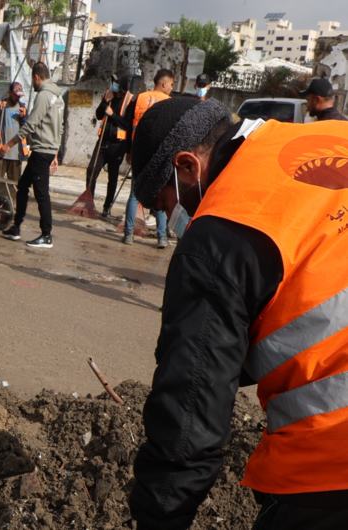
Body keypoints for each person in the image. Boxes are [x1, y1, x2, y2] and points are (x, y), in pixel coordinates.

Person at [127, 96, 348, 529]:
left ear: (187, 166)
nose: (174, 218)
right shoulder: (331, 135)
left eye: (166, 204)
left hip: (331, 459)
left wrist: (159, 517)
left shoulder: (219, 233)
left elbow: (189, 419)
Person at [0, 62, 64, 249]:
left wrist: (9, 144)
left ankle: (46, 235)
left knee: (41, 193)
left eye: (32, 79)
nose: (33, 84)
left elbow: (30, 125)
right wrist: (56, 154)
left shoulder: (44, 96)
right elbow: (60, 128)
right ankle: (16, 227)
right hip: (46, 150)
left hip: (42, 150)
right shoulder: (58, 96)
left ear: (36, 77)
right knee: (23, 185)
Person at [121, 68, 174, 247]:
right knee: (159, 194)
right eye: (171, 84)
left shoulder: (139, 98)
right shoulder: (170, 103)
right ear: (163, 83)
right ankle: (162, 237)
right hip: (160, 155)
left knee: (135, 195)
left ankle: (128, 235)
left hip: (139, 153)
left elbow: (127, 126)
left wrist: (129, 151)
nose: (171, 88)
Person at [88, 75, 134, 220]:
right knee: (91, 170)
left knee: (112, 178)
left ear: (123, 87)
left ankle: (106, 207)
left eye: (116, 85)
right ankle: (89, 203)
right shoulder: (109, 95)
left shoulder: (130, 100)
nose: (114, 87)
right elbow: (99, 115)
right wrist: (104, 102)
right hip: (103, 142)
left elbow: (127, 124)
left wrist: (112, 114)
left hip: (118, 145)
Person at [0, 82, 27, 184]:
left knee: (14, 186)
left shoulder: (22, 108)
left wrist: (23, 118)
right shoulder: (1, 105)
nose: (18, 98)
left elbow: (27, 129)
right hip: (0, 152)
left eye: (19, 96)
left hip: (16, 155)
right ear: (10, 93)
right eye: (16, 95)